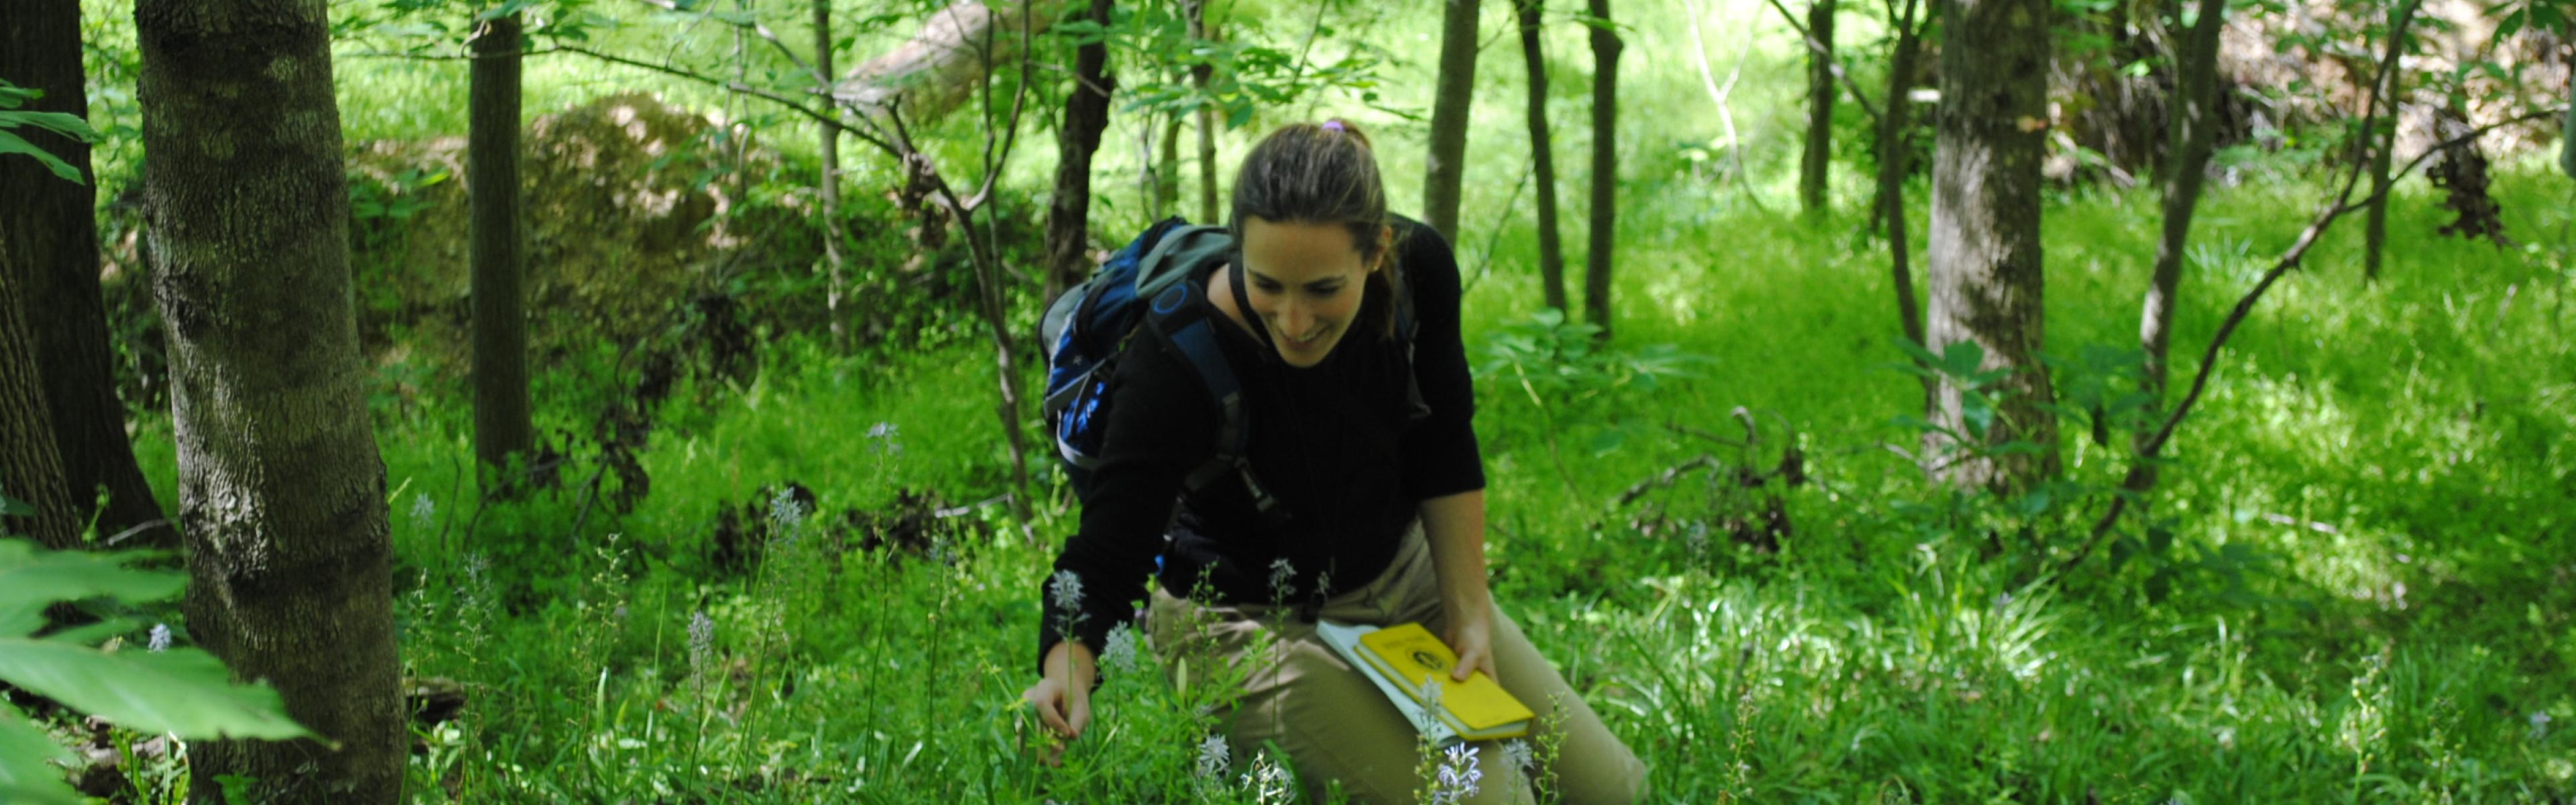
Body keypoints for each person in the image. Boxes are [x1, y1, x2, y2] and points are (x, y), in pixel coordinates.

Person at [1022, 119, 1647, 804]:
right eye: (1267, 285)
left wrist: (1468, 614)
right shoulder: (1179, 352)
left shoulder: (1421, 272)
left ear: (1377, 252)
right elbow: (1105, 558)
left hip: (1402, 581)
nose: (1293, 320)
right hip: (1246, 623)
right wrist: (1068, 670)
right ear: (1239, 248)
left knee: (1612, 790)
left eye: (1323, 289)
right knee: (1492, 797)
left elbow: (1443, 445)